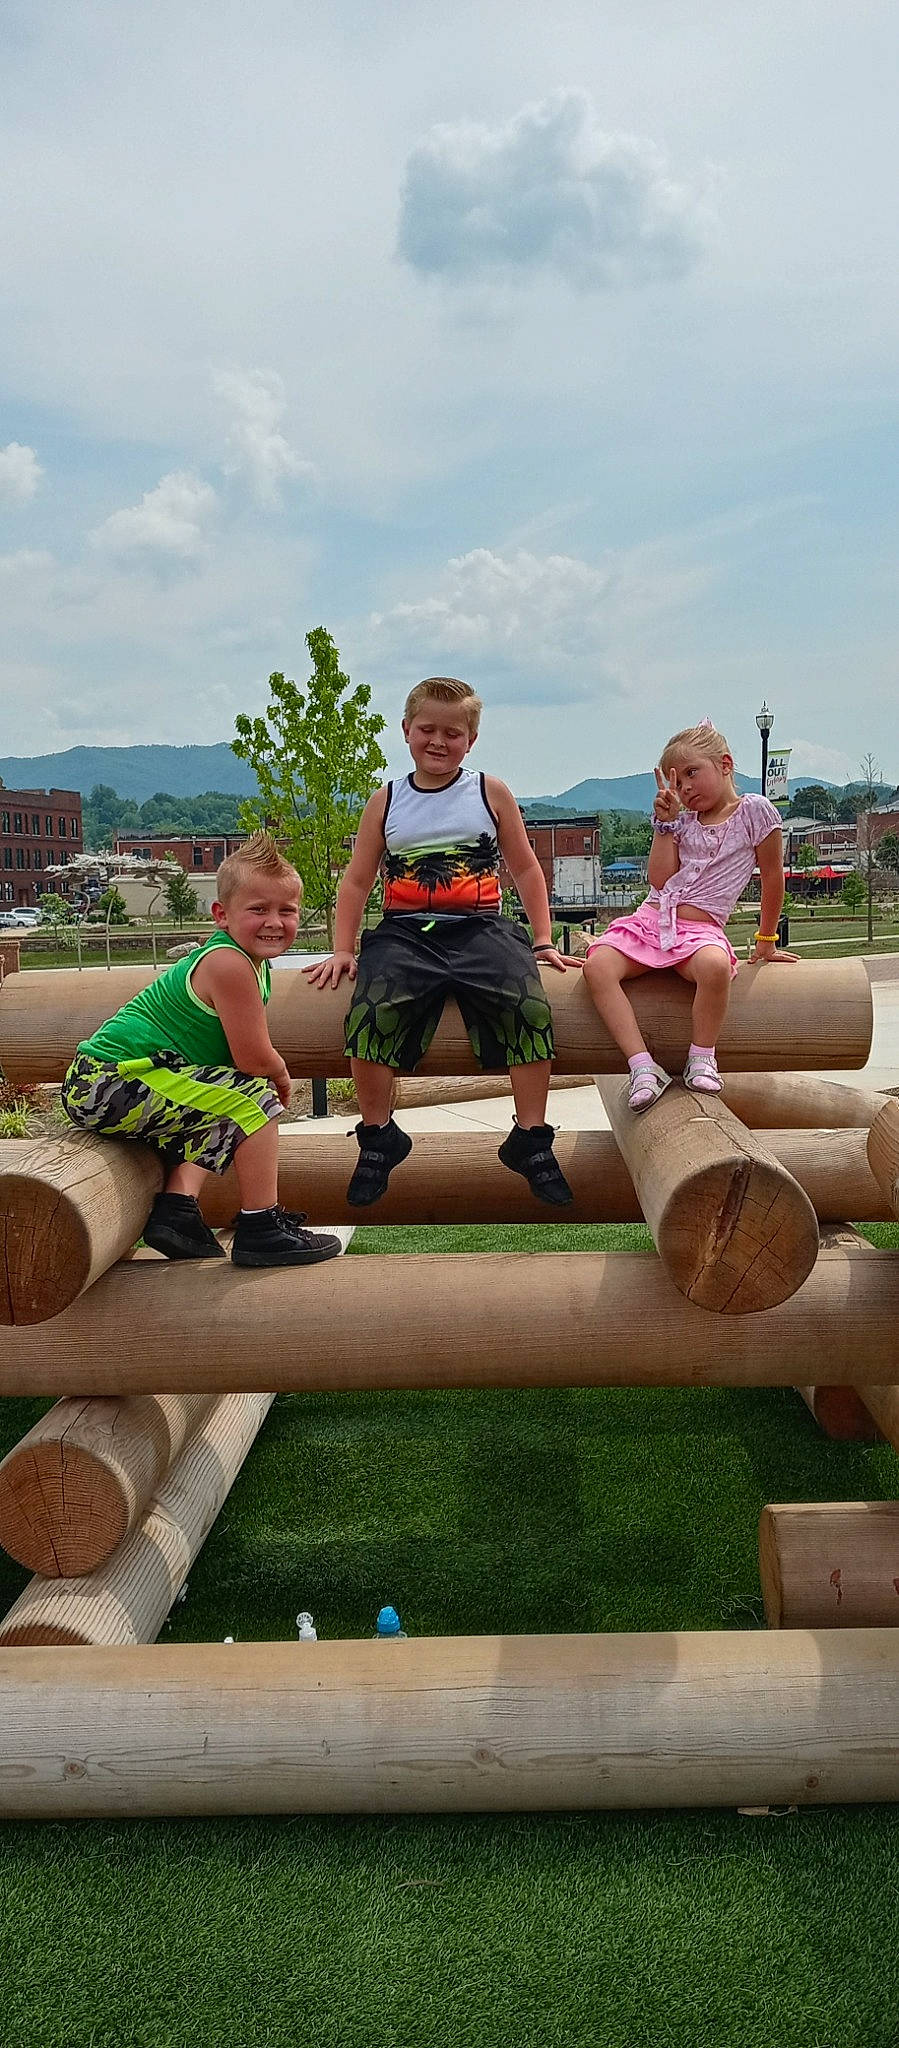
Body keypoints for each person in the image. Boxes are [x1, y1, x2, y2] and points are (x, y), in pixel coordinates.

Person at [304, 676, 575, 1206]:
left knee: (529, 1006)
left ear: (470, 740)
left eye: (453, 733)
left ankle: (531, 1137)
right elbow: (358, 879)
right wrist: (342, 949)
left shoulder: (488, 792)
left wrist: (541, 939)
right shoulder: (385, 801)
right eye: (426, 729)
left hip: (482, 928)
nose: (438, 741)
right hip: (405, 932)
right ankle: (379, 1135)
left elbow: (523, 866)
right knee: (368, 1013)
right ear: (406, 730)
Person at [61, 834, 342, 1268]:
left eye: (287, 911)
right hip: (111, 1078)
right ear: (221, 915)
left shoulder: (249, 963)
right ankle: (262, 1226)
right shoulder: (228, 964)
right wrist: (281, 1073)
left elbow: (232, 1063)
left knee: (232, 1097)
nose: (274, 921)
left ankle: (177, 1209)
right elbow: (253, 1059)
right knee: (256, 1101)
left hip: (126, 1079)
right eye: (258, 909)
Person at [583, 720, 797, 1111]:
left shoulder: (755, 811)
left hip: (699, 931)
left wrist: (766, 941)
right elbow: (659, 879)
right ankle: (641, 1065)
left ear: (726, 765)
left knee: (715, 967)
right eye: (676, 783)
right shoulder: (680, 821)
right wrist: (664, 826)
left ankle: (702, 1055)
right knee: (597, 965)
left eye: (692, 774)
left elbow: (771, 877)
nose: (685, 788)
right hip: (652, 919)